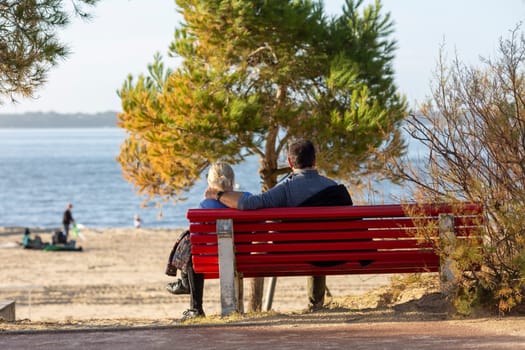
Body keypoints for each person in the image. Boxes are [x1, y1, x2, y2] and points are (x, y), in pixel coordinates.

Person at [205, 140, 352, 311]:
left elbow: (250, 203)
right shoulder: (333, 187)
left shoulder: (286, 189)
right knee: (319, 243)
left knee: (310, 244)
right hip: (333, 252)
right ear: (314, 160)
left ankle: (314, 303)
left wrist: (219, 195)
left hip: (290, 254)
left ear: (290, 162)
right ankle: (316, 303)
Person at [170, 161, 246, 322]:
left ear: (210, 184)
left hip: (210, 260)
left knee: (191, 253)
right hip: (243, 257)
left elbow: (198, 237)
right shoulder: (245, 199)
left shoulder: (205, 205)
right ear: (232, 181)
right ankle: (185, 285)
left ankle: (195, 307)